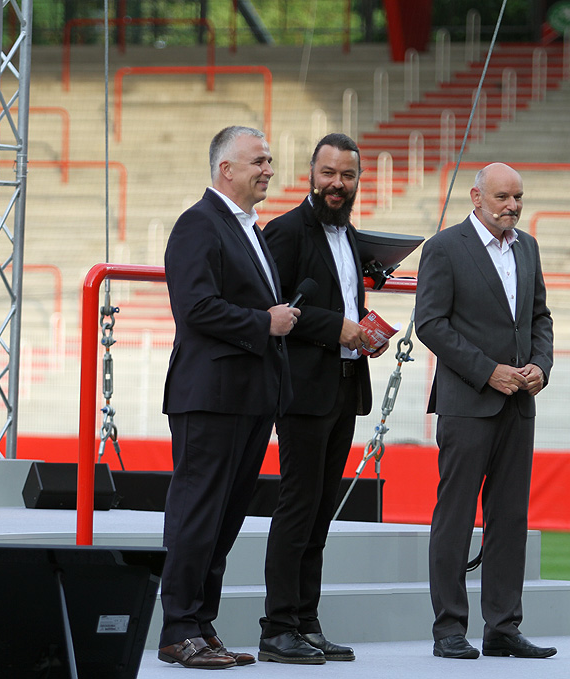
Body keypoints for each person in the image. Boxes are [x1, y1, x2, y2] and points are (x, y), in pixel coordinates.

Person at [158, 125, 300, 670]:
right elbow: (195, 307)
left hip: (249, 396)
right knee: (198, 513)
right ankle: (178, 629)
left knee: (225, 518)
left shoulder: (248, 229)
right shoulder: (199, 223)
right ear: (226, 169)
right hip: (210, 396)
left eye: (269, 160)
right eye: (259, 161)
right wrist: (265, 322)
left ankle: (200, 624)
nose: (269, 169)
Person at [415, 163, 555, 661]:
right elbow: (430, 324)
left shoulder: (528, 247)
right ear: (476, 197)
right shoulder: (444, 248)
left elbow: (540, 317)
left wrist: (541, 365)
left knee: (510, 518)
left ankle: (503, 627)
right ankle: (449, 628)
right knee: (455, 517)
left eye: (518, 196)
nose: (512, 206)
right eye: (502, 197)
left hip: (518, 405)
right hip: (467, 405)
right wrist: (487, 371)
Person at [257, 133, 389, 664]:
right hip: (303, 391)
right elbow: (274, 307)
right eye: (329, 173)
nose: (338, 184)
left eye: (348, 175)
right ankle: (277, 628)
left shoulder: (350, 235)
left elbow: (343, 303)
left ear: (358, 180)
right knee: (298, 507)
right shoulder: (285, 231)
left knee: (319, 514)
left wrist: (365, 334)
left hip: (344, 385)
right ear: (311, 174)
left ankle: (305, 622)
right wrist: (338, 327)